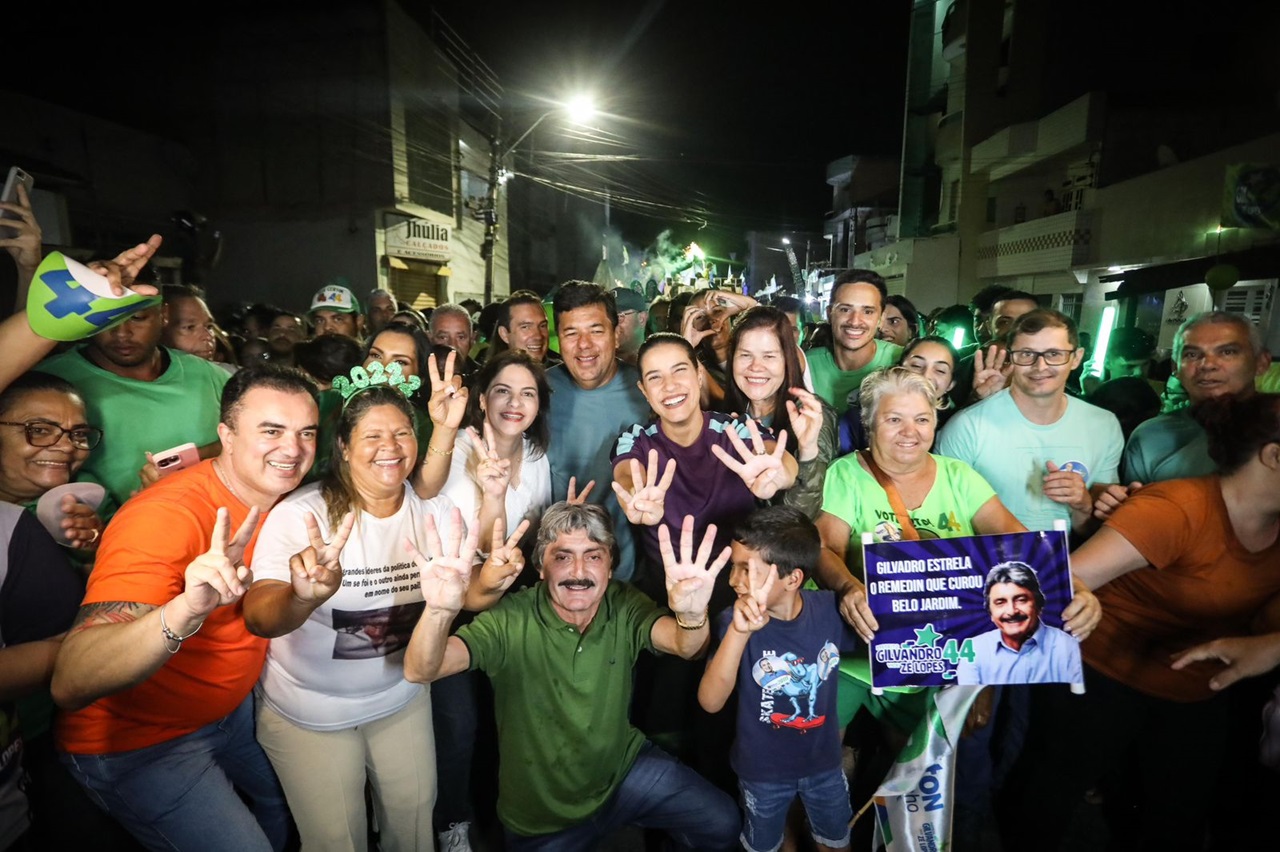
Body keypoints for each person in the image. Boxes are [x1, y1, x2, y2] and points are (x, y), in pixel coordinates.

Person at [242, 374, 522, 852]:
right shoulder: (302, 515)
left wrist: (490, 582)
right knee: (338, 841)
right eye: (372, 435)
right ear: (345, 448)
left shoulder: (432, 513)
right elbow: (259, 617)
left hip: (400, 698)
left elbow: (463, 596)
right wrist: (303, 596)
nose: (390, 447)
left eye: (402, 433)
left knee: (414, 826)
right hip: (311, 713)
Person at [50, 365, 322, 851]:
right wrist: (183, 612)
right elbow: (71, 680)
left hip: (230, 712)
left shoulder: (286, 501)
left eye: (306, 432)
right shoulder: (164, 516)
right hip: (140, 742)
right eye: (271, 431)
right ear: (227, 437)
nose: (293, 449)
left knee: (294, 804)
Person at [1000, 393, 1280, 852]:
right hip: (1104, 672)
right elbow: (1061, 580)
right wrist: (1082, 593)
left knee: (1176, 816)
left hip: (1198, 687)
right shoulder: (1176, 508)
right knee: (1049, 795)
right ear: (1273, 455)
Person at [402, 502, 740, 851]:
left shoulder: (622, 603)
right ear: (541, 568)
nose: (578, 571)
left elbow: (687, 646)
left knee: (722, 822)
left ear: (610, 566)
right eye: (562, 557)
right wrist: (440, 610)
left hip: (622, 775)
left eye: (593, 556)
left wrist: (692, 614)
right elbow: (421, 669)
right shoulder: (511, 619)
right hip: (542, 819)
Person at [698, 506, 857, 852]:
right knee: (770, 843)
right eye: (733, 567)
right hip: (761, 772)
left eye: (747, 570)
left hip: (825, 765)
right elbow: (710, 701)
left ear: (792, 578)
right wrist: (739, 634)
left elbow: (886, 638)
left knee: (835, 840)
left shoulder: (830, 613)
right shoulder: (731, 621)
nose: (733, 580)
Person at [613, 333, 798, 607]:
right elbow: (627, 474)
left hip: (742, 594)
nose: (670, 386)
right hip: (669, 597)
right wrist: (636, 495)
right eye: (655, 378)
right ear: (643, 390)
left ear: (699, 374)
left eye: (680, 371)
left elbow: (775, 457)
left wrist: (779, 473)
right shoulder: (636, 439)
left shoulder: (732, 429)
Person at [937, 309, 1123, 536]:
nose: (1040, 366)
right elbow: (944, 521)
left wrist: (1083, 504)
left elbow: (1100, 530)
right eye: (1027, 354)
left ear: (1076, 358)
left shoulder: (1103, 425)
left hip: (1069, 565)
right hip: (992, 565)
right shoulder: (967, 427)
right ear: (1012, 358)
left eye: (1054, 354)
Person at [38, 301, 230, 510]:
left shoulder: (209, 375)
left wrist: (189, 462)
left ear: (163, 314)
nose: (122, 333)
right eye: (106, 318)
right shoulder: (52, 379)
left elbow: (256, 440)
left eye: (137, 318)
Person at [545, 281, 651, 581]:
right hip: (555, 574)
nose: (584, 345)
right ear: (558, 340)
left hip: (631, 579)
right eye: (571, 333)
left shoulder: (649, 392)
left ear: (616, 335)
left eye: (596, 330)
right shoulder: (535, 393)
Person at [1121, 311, 1271, 484]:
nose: (1207, 365)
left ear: (1261, 362)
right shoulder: (1150, 437)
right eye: (1192, 355)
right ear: (1175, 368)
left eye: (1228, 352)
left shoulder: (1274, 427)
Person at [723, 306, 836, 519]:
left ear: (788, 359)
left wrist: (807, 450)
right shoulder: (728, 416)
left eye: (769, 356)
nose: (756, 367)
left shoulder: (812, 415)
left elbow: (803, 516)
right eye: (746, 355)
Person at [440, 350, 552, 542]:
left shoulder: (536, 454)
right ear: (482, 399)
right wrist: (494, 498)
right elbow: (482, 548)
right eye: (502, 391)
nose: (515, 402)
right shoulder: (457, 453)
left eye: (527, 394)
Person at [0, 372, 105, 547]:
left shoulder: (91, 499)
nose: (67, 447)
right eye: (39, 430)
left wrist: (94, 547)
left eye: (79, 434)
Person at [956, 561, 1083, 686]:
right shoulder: (974, 649)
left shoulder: (1065, 645)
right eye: (1000, 602)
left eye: (1021, 600)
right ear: (990, 611)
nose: (1011, 611)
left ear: (1038, 603)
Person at [838, 335, 960, 455]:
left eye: (940, 370)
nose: (926, 375)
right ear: (899, 368)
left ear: (951, 385)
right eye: (916, 365)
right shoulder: (856, 421)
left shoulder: (955, 427)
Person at [806, 270, 902, 415]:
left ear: (881, 319)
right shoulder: (805, 364)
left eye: (868, 312)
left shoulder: (901, 361)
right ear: (829, 314)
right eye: (845, 309)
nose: (855, 321)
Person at [487, 290, 553, 365]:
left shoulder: (564, 374)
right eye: (525, 327)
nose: (538, 336)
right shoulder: (489, 375)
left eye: (542, 326)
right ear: (504, 334)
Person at [612, 286, 650, 366]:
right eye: (608, 316)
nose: (612, 323)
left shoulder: (658, 362)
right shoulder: (596, 369)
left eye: (619, 316)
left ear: (642, 318)